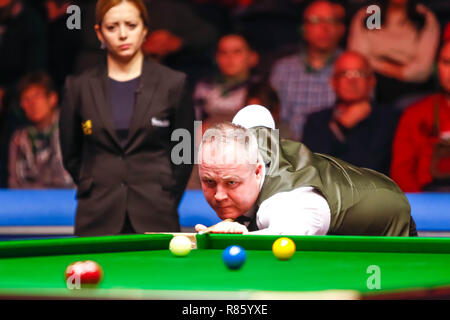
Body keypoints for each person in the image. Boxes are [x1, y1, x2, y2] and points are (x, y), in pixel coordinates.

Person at [59, 0, 194, 236]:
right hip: (96, 214)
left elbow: (184, 154)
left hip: (156, 212)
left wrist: (165, 194)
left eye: (131, 25)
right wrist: (95, 184)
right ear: (99, 33)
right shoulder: (78, 87)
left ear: (144, 29)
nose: (123, 34)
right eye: (112, 27)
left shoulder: (174, 84)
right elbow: (71, 154)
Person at [194, 105, 417, 236]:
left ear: (258, 171)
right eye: (209, 182)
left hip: (387, 214)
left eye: (231, 182)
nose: (219, 195)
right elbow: (256, 113)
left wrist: (244, 236)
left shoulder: (291, 203)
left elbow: (286, 234)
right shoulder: (247, 137)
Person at [303, 51, 399, 175]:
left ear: (372, 81)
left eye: (359, 73)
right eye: (344, 74)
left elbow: (375, 166)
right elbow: (313, 168)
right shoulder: (316, 121)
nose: (352, 80)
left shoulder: (390, 118)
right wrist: (341, 126)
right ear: (333, 82)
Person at [270, 0, 345, 140]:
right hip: (290, 151)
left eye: (331, 21)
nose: (324, 27)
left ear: (340, 29)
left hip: (336, 152)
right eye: (316, 20)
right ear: (304, 29)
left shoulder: (352, 68)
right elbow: (274, 119)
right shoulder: (283, 69)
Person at [348, 0, 440, 106]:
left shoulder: (424, 17)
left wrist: (380, 65)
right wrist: (389, 69)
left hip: (412, 86)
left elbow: (422, 70)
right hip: (374, 82)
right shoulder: (370, 14)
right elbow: (359, 58)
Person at [391, 40, 450, 192]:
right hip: (428, 205)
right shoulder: (415, 114)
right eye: (447, 62)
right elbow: (401, 174)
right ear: (437, 67)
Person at [8, 72, 74, 189]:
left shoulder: (73, 128)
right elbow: (15, 182)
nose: (32, 104)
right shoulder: (19, 138)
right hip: (32, 203)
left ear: (53, 98)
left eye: (37, 96)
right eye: (26, 99)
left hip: (70, 200)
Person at [193, 34, 259, 132]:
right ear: (216, 58)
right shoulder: (204, 87)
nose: (229, 57)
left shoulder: (260, 88)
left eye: (237, 52)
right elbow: (194, 124)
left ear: (253, 57)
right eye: (223, 52)